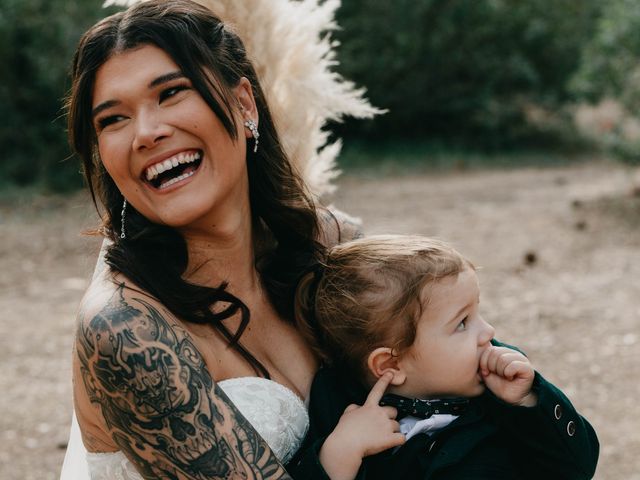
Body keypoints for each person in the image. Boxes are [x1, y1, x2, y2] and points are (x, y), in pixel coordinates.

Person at [60, 0, 370, 478]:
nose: (146, 132)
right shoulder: (126, 330)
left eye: (171, 93)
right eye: (113, 120)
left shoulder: (332, 242)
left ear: (244, 103)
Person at [290, 235, 599, 479]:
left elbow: (578, 468)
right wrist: (340, 454)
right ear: (391, 365)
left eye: (478, 312)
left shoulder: (500, 391)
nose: (488, 331)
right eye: (462, 323)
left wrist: (528, 400)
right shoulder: (339, 410)